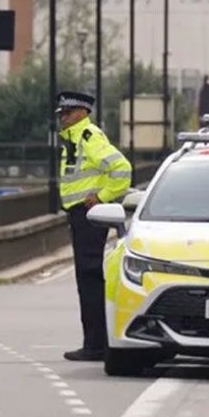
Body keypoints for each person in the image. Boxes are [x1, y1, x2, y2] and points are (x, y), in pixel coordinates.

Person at [56, 91, 133, 362]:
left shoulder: (89, 137)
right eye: (61, 114)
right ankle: (96, 342)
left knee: (89, 279)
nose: (62, 117)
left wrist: (101, 197)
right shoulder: (75, 139)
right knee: (87, 279)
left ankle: (96, 345)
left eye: (67, 112)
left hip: (88, 216)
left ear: (82, 113)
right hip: (80, 215)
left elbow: (122, 169)